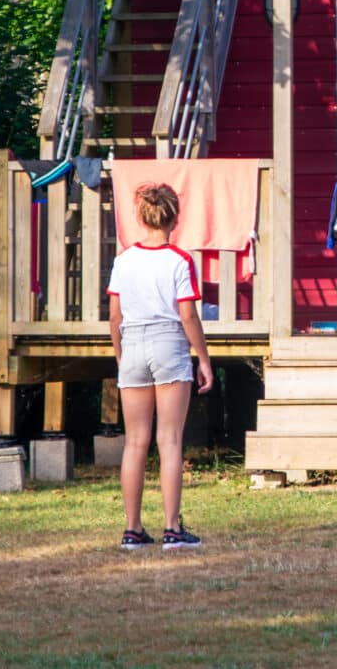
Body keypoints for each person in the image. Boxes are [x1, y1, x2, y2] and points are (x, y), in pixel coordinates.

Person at [107, 182, 215, 549]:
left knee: (135, 442)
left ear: (141, 217)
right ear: (175, 217)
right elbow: (187, 315)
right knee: (169, 440)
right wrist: (202, 357)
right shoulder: (180, 260)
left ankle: (133, 529)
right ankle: (172, 528)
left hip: (133, 342)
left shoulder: (123, 260)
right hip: (168, 342)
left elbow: (114, 315)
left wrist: (121, 353)